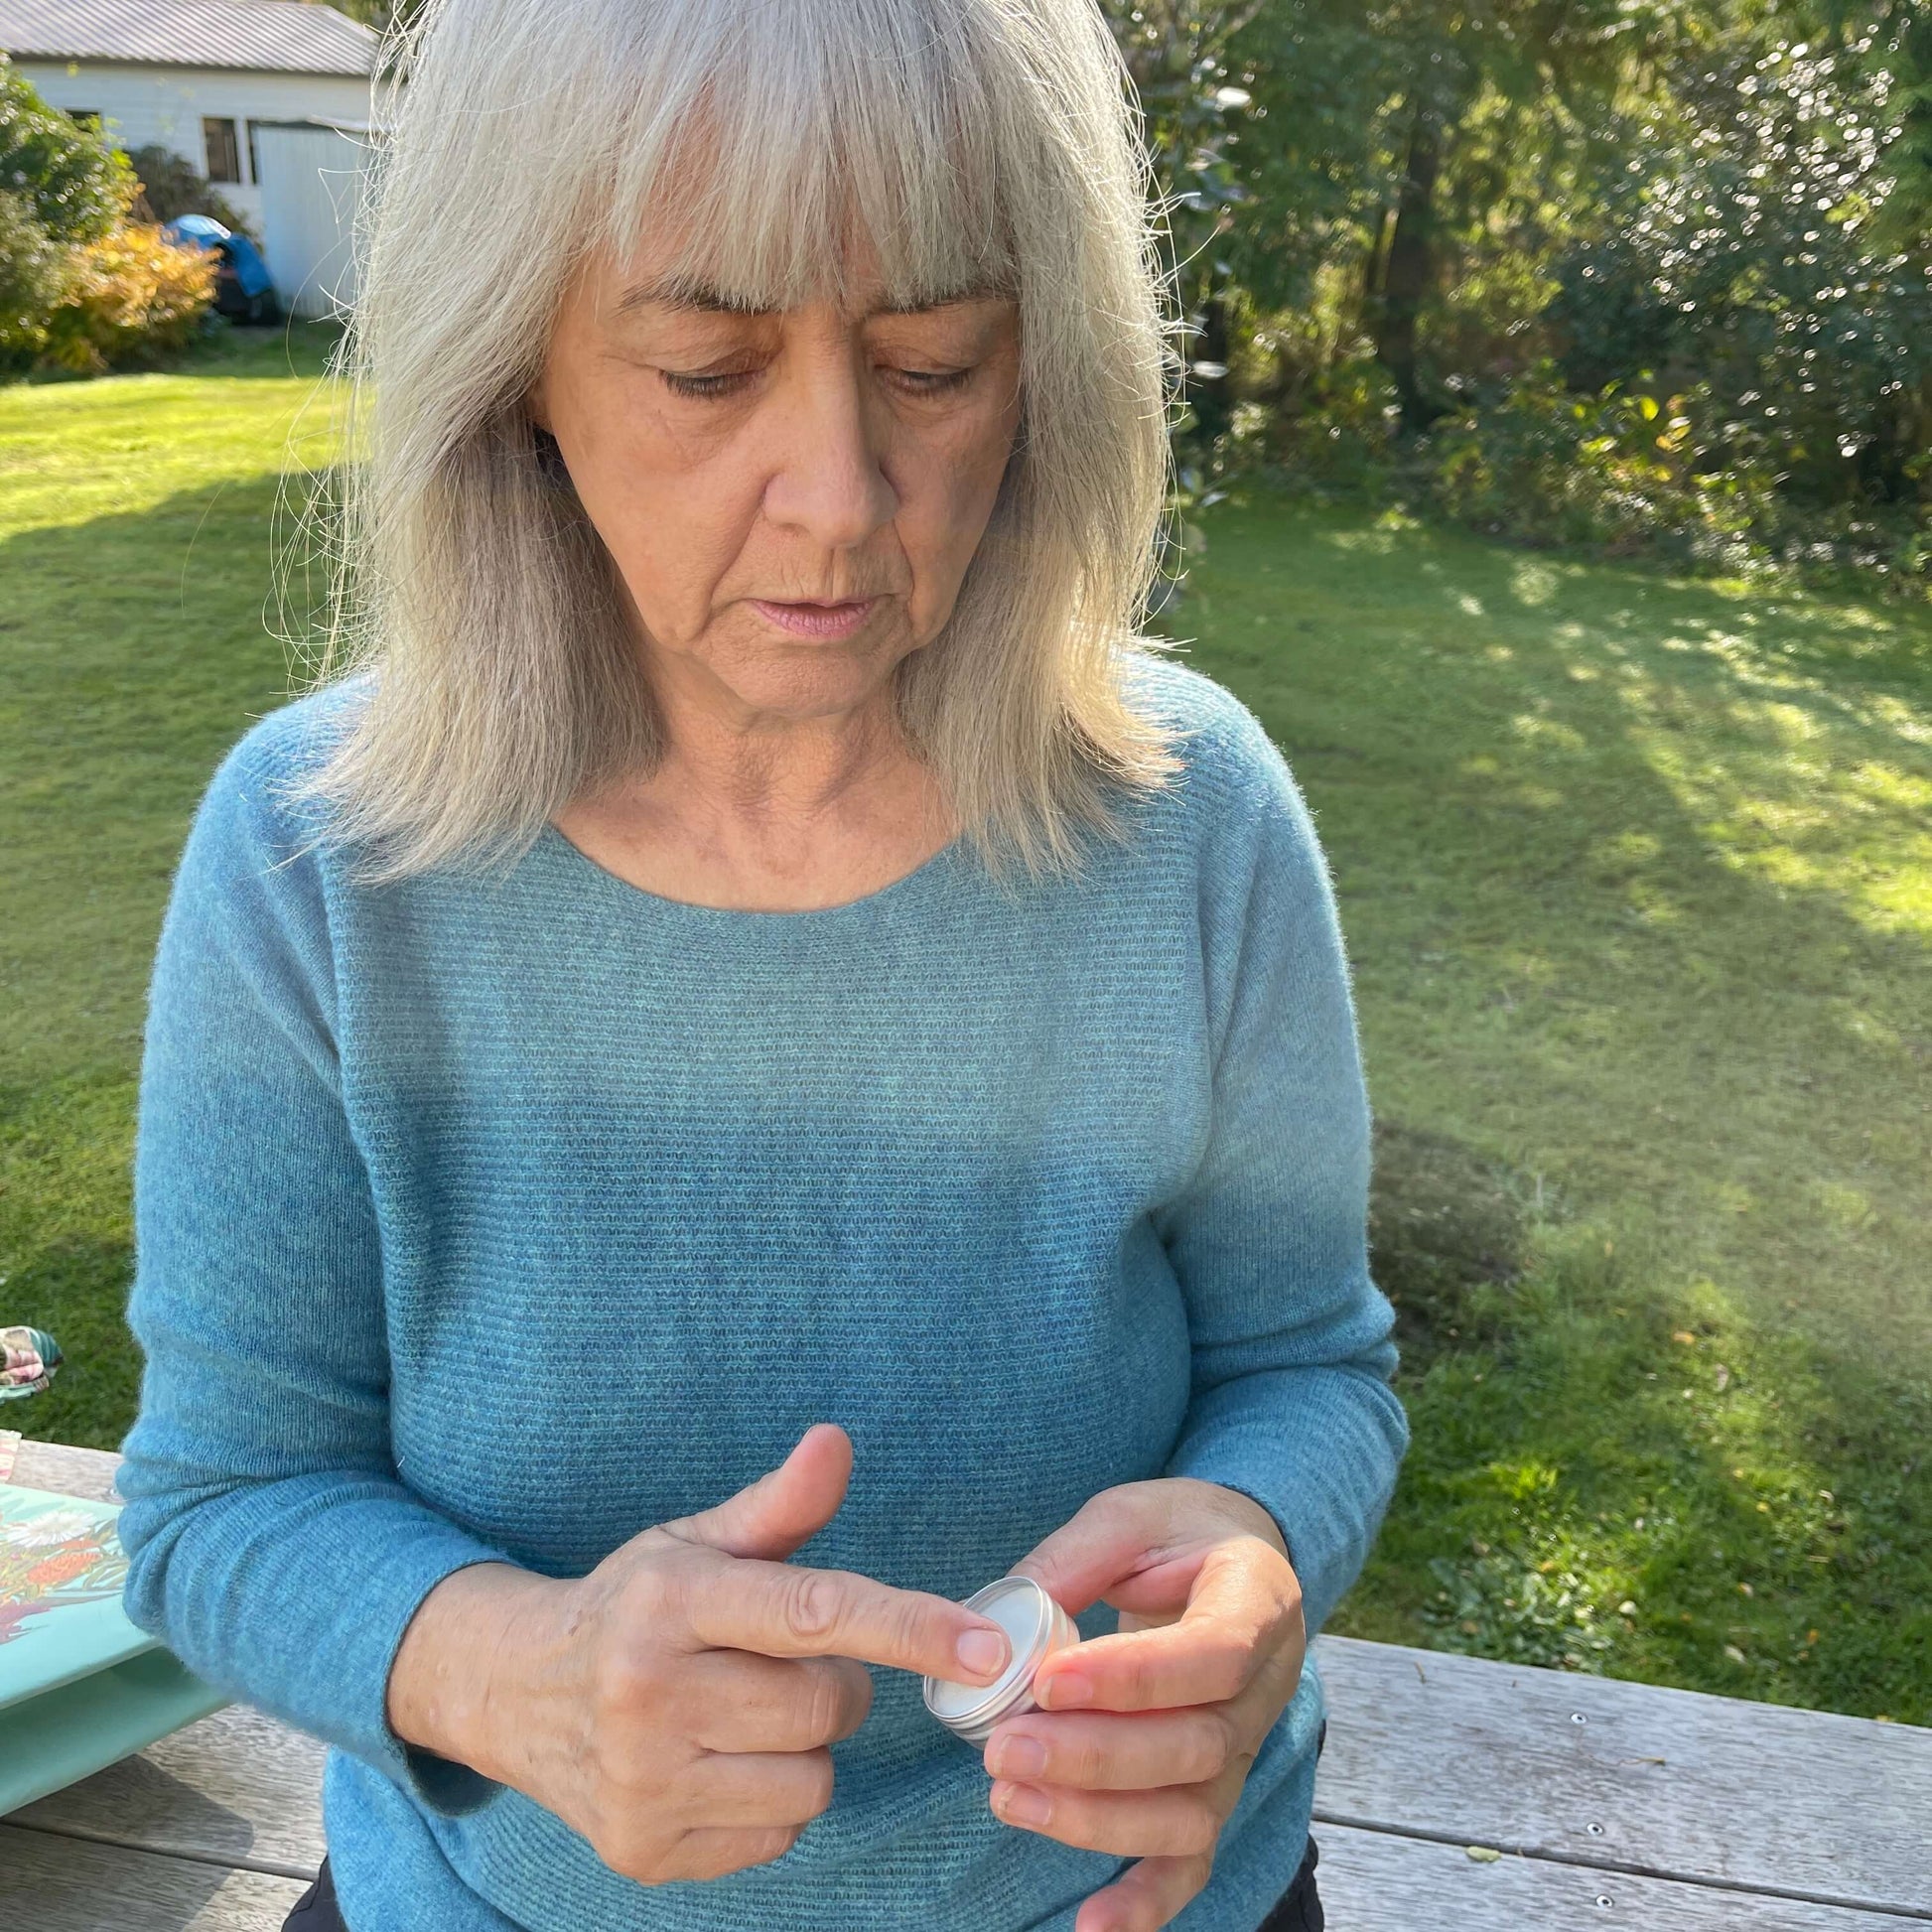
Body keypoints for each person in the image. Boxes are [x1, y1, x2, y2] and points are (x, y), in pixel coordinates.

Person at [114, 0, 1408, 1927]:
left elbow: (1306, 1365)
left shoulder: (1191, 818)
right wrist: (514, 1672)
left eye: (935, 361)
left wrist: (1255, 1538)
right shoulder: (318, 859)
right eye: (706, 368)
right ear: (516, 367)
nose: (840, 495)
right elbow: (221, 1503)